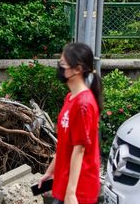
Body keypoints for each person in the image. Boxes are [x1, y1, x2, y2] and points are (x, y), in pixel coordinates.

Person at [38, 43, 103, 204]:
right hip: (65, 182)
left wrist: (71, 193)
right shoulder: (70, 98)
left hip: (79, 188)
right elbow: (65, 143)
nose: (60, 68)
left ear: (77, 69)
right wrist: (50, 172)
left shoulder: (84, 105)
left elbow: (79, 150)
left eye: (63, 64)